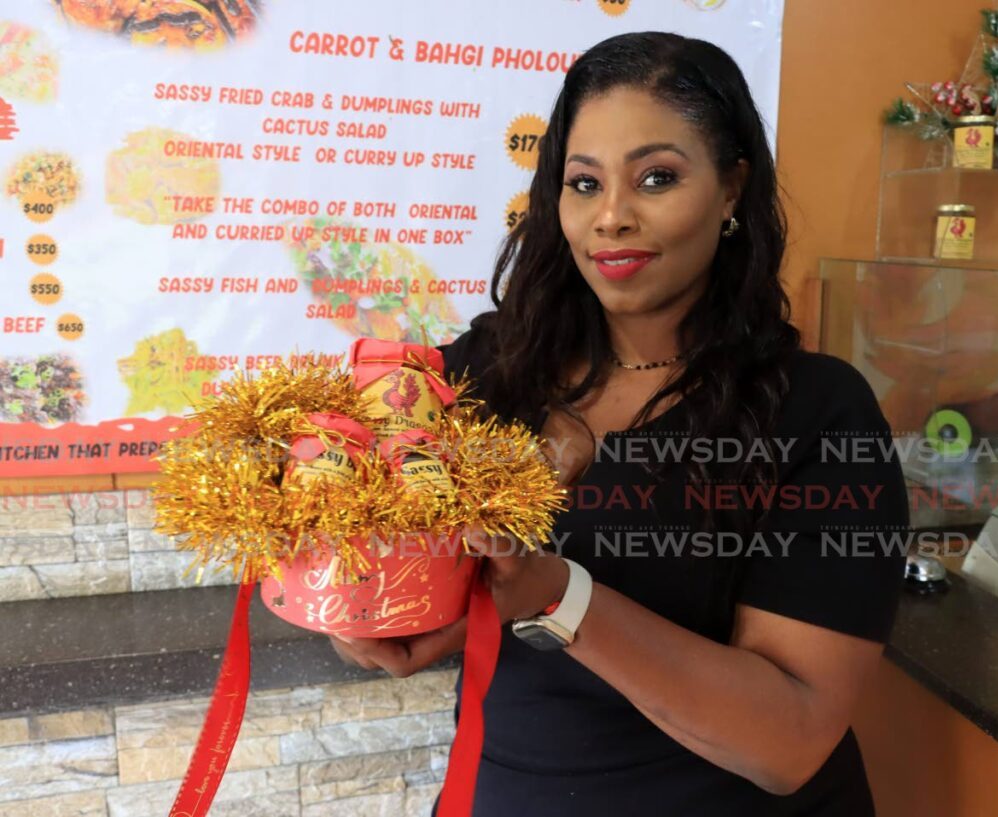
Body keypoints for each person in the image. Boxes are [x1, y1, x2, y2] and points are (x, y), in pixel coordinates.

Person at [330, 31, 910, 816]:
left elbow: (790, 738)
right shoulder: (487, 370)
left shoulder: (815, 412)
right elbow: (400, 550)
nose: (611, 217)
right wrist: (371, 607)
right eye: (583, 182)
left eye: (657, 178)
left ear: (732, 188)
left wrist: (556, 595)